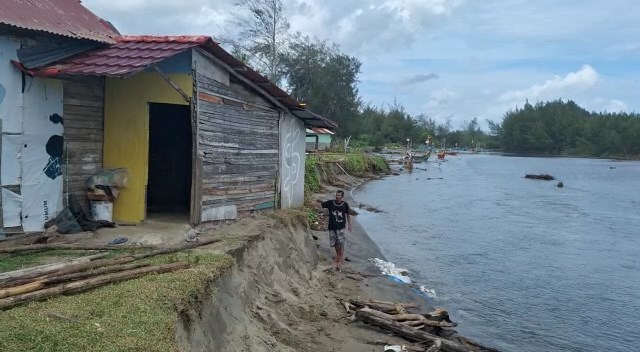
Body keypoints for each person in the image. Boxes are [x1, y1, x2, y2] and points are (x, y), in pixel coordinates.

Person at [317, 190, 351, 271]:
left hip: (341, 226)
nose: (337, 196)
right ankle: (338, 255)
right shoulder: (331, 203)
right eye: (336, 195)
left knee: (341, 242)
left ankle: (341, 257)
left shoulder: (345, 205)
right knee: (334, 242)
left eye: (339, 195)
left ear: (342, 197)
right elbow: (322, 204)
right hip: (332, 226)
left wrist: (349, 225)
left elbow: (348, 215)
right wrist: (318, 201)